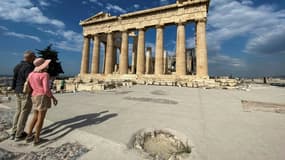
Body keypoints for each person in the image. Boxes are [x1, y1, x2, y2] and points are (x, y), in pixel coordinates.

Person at [26, 58, 58, 145]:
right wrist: (53, 98)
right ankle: (37, 138)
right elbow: (46, 90)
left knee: (35, 116)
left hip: (34, 96)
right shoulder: (45, 74)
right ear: (44, 65)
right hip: (42, 97)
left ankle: (29, 135)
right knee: (41, 118)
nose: (47, 65)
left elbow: (30, 86)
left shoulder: (31, 74)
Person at [11, 50, 36, 141]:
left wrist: (14, 88)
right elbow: (29, 81)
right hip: (25, 92)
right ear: (30, 57)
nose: (35, 58)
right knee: (24, 112)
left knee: (18, 111)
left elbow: (14, 79)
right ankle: (19, 133)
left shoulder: (17, 66)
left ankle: (13, 131)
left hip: (17, 90)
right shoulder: (29, 67)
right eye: (34, 57)